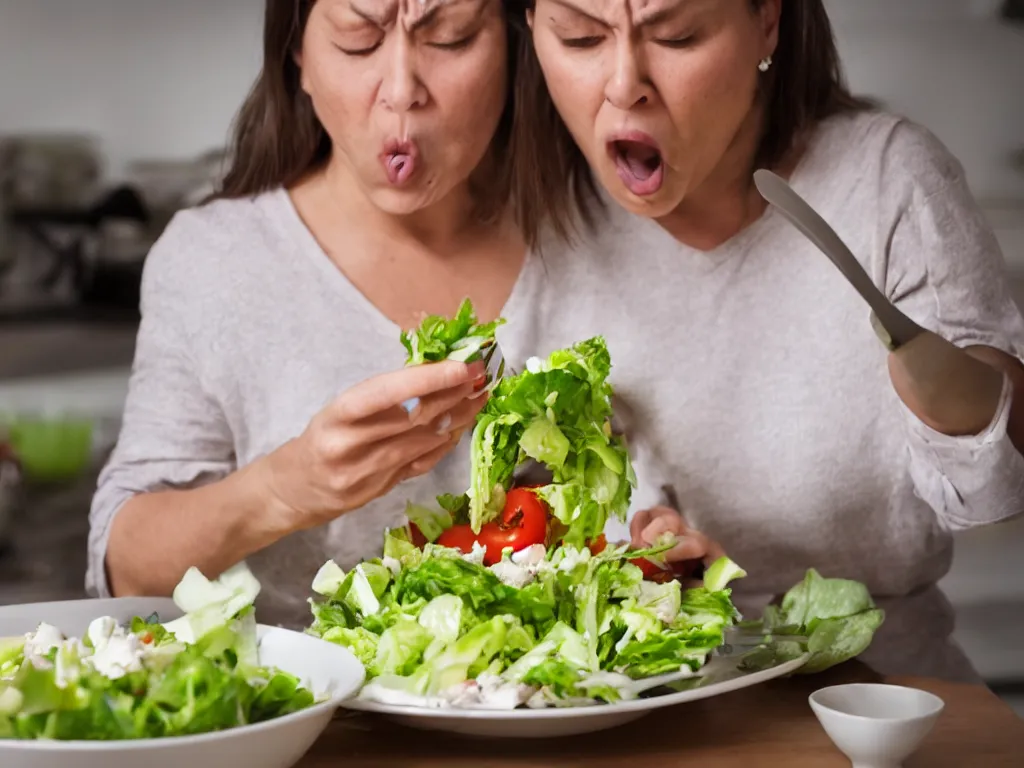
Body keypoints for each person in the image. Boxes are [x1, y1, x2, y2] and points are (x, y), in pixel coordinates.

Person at [496, 0, 1024, 681]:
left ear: (768, 23)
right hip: (610, 708)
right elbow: (495, 528)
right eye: (581, 36)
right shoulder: (525, 208)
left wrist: (965, 398)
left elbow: (996, 492)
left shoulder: (888, 180)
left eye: (677, 35)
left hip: (875, 699)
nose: (624, 82)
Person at [87, 0, 549, 628]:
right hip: (315, 721)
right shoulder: (214, 260)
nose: (401, 92)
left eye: (451, 38)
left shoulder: (601, 230)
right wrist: (283, 488)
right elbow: (126, 571)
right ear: (298, 56)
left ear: (514, 46)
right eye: (359, 42)